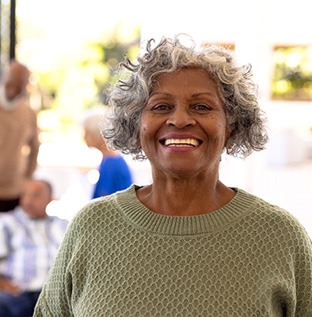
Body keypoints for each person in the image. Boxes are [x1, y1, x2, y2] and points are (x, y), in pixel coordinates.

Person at [33, 35, 312, 316]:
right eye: (161, 106)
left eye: (201, 107)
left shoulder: (280, 237)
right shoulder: (92, 227)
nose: (179, 120)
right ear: (136, 123)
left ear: (232, 126)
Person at [0, 179, 68, 317]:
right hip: (17, 293)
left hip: (53, 294)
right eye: (25, 194)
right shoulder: (7, 222)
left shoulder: (62, 225)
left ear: (49, 199)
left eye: (36, 195)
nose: (28, 200)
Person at [0, 60, 40, 212]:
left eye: (20, 81)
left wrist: (27, 178)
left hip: (15, 191)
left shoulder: (28, 113)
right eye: (12, 79)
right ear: (5, 77)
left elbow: (35, 148)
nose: (14, 85)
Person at [81, 106, 133, 198]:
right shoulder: (111, 160)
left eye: (87, 133)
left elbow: (103, 202)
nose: (84, 138)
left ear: (97, 134)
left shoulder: (111, 163)